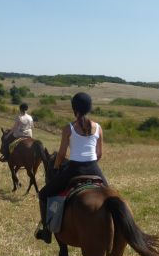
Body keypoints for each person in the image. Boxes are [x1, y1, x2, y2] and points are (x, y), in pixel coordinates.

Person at [35, 92, 108, 243]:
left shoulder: (68, 128)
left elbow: (61, 154)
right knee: (110, 196)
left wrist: (55, 168)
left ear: (74, 108)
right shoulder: (98, 128)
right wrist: (91, 164)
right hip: (94, 168)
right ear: (89, 108)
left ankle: (47, 231)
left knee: (43, 194)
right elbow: (99, 154)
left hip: (74, 169)